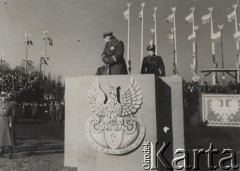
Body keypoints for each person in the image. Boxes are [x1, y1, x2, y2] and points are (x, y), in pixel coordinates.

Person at [0, 91, 16, 159]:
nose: (1, 98)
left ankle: (10, 153)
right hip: (1, 122)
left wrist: (11, 120)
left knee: (9, 137)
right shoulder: (0, 104)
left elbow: (14, 114)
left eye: (3, 96)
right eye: (1, 96)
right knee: (1, 137)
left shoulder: (11, 104)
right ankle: (1, 152)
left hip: (7, 122)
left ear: (6, 97)